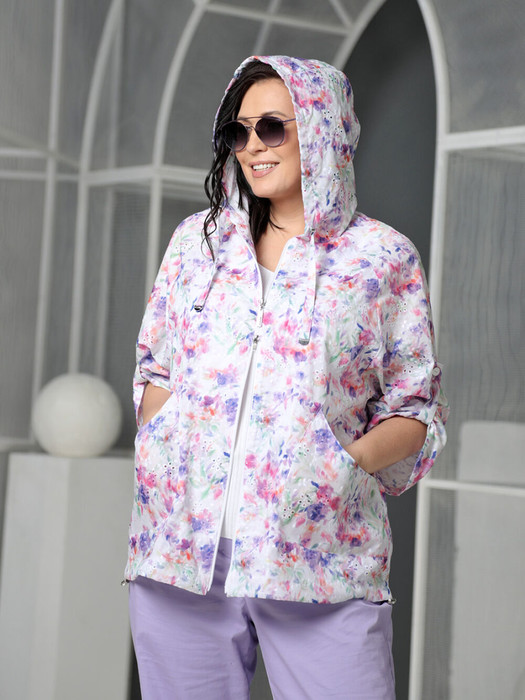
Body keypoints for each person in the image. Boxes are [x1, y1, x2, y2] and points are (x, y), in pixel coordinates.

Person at [125, 55, 448, 699]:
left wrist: (335, 469)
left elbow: (415, 407)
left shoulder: (382, 257)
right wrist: (165, 441)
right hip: (180, 552)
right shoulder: (197, 243)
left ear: (323, 128)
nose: (252, 146)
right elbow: (155, 365)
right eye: (238, 131)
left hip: (316, 555)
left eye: (271, 127)